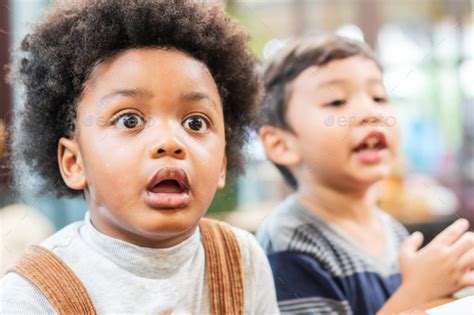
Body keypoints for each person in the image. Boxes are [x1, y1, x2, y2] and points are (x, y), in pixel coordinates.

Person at [0, 1, 278, 313]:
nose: (170, 142)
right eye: (129, 120)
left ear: (223, 164)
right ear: (74, 163)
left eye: (195, 123)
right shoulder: (32, 295)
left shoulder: (242, 260)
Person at [256, 34, 474, 314]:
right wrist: (418, 292)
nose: (370, 113)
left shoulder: (391, 230)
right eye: (336, 102)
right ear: (281, 144)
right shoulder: (289, 241)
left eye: (379, 97)